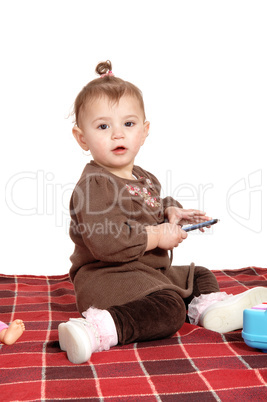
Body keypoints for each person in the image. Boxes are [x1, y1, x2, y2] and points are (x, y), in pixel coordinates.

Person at [58, 61, 267, 364]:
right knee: (169, 308)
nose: (118, 135)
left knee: (199, 275)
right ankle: (96, 330)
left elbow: (151, 205)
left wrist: (172, 211)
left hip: (146, 271)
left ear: (144, 132)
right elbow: (106, 241)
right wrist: (156, 236)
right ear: (82, 138)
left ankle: (210, 310)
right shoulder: (94, 184)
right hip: (106, 277)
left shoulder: (143, 177)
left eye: (128, 125)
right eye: (103, 126)